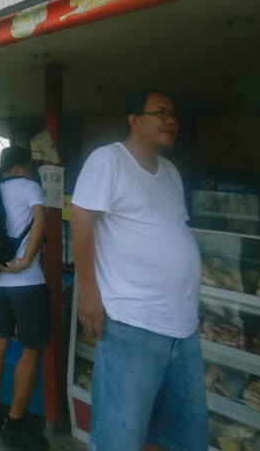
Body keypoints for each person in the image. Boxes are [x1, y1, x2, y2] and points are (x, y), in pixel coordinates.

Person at [71, 89, 207, 451]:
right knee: (120, 438)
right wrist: (89, 295)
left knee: (179, 436)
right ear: (134, 120)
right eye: (159, 112)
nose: (170, 120)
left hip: (183, 328)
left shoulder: (172, 173)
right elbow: (81, 220)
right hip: (133, 324)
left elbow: (170, 232)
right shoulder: (108, 160)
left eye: (174, 113)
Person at [0, 145, 49, 450]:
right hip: (27, 282)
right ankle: (16, 424)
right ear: (21, 166)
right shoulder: (31, 187)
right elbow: (42, 220)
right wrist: (26, 260)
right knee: (32, 349)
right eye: (30, 166)